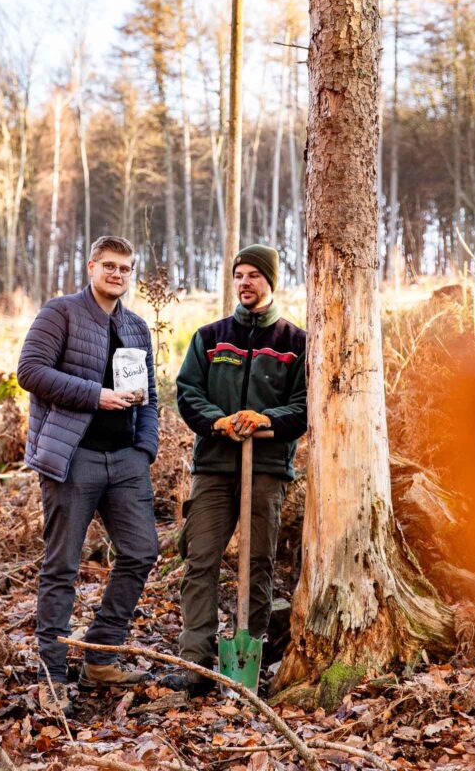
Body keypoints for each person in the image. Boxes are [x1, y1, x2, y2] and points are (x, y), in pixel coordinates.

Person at [17, 235, 159, 717]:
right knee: (62, 566)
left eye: (126, 268)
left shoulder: (137, 327)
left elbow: (152, 397)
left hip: (125, 460)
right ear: (92, 266)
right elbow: (30, 371)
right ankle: (51, 675)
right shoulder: (60, 313)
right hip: (72, 457)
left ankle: (101, 654)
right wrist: (94, 395)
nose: (118, 274)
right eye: (110, 266)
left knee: (141, 551)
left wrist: (145, 449)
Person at [161, 244, 307, 696]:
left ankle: (252, 650)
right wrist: (218, 421)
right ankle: (196, 662)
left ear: (270, 281)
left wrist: (266, 419)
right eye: (238, 275)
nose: (244, 283)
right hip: (214, 467)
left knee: (259, 563)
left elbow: (304, 405)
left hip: (266, 468)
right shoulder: (210, 337)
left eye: (253, 275)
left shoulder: (294, 342)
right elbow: (187, 392)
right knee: (200, 560)